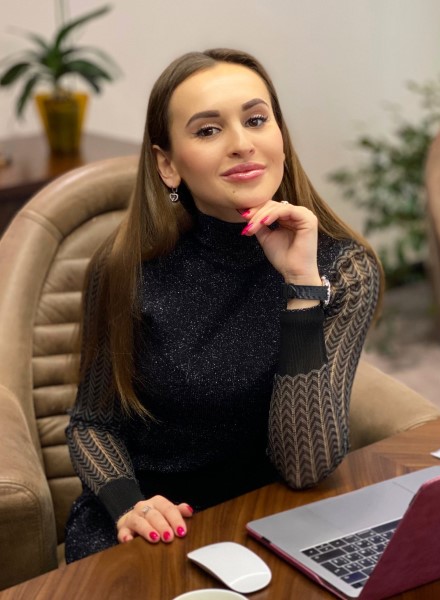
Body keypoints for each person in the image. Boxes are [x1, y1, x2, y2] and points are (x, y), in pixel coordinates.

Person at [64, 48, 382, 562]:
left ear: (280, 138)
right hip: (149, 523)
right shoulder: (126, 266)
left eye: (256, 120)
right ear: (168, 164)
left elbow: (303, 468)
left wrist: (302, 287)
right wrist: (130, 504)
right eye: (208, 130)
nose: (241, 144)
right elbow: (93, 422)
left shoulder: (342, 269)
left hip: (269, 518)